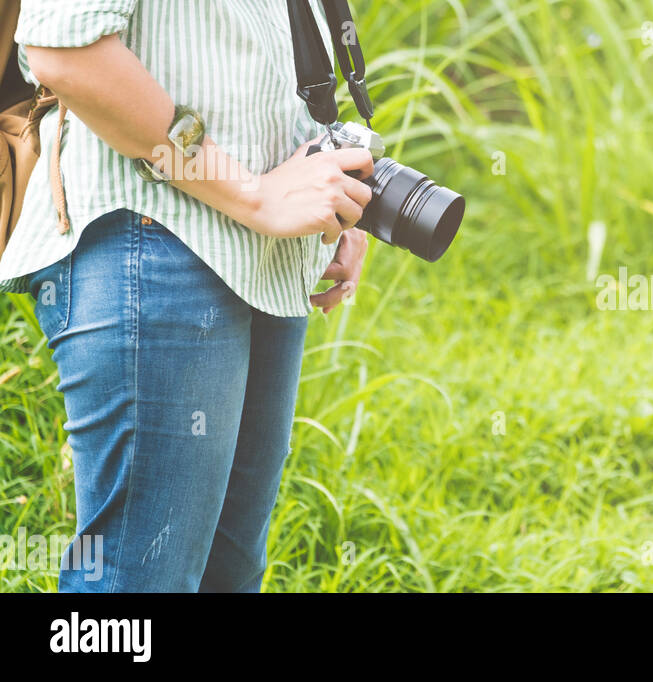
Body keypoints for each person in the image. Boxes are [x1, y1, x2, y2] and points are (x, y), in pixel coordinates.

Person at [0, 0, 374, 592]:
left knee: (226, 577)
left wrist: (328, 198)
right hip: (155, 239)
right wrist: (254, 195)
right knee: (138, 590)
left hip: (258, 251)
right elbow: (65, 49)